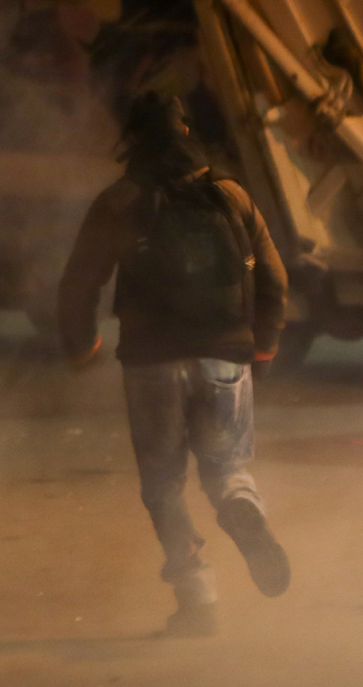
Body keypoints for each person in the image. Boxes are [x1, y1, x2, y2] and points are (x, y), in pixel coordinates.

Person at [58, 93, 291, 637]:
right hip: (224, 357)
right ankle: (244, 514)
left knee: (163, 484)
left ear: (132, 140)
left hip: (151, 363)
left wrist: (80, 344)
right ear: (185, 131)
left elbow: (77, 284)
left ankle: (198, 600)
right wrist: (264, 347)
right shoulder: (230, 194)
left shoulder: (118, 201)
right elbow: (274, 277)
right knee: (226, 467)